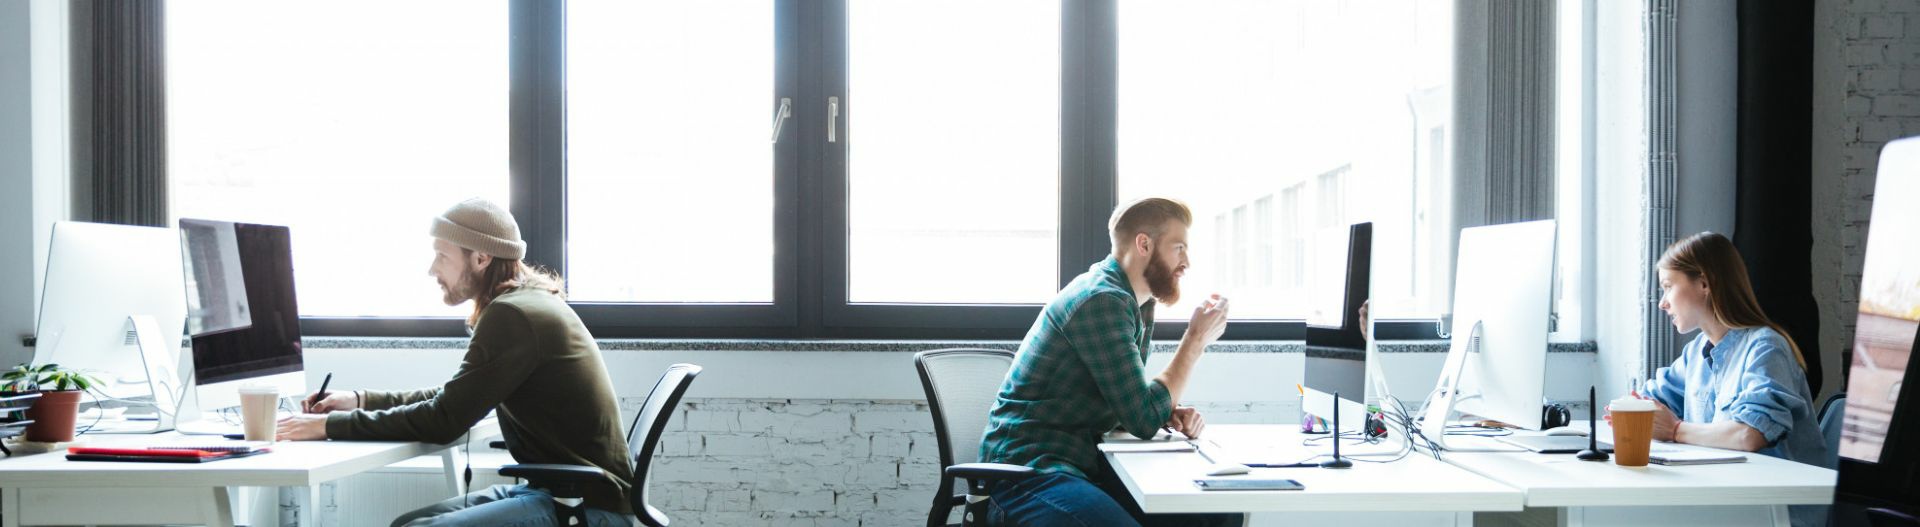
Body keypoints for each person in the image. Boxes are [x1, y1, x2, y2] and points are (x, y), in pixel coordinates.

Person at [274, 198, 634, 527]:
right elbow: (453, 398)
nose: (432, 269)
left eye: (442, 256)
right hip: (562, 493)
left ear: (481, 258)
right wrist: (361, 399)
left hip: (586, 506)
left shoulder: (513, 315)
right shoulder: (527, 302)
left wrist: (328, 426)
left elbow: (443, 420)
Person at [978, 197, 1240, 527]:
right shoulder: (1102, 299)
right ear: (1144, 244)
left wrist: (1164, 411)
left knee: (1213, 514)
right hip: (1028, 474)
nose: (1187, 261)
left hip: (1076, 466)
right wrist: (1195, 340)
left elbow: (1130, 406)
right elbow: (1141, 420)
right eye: (1179, 248)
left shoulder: (1136, 304)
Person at [1610, 232, 1829, 526]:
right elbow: (1647, 402)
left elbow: (1748, 435)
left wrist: (1675, 429)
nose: (1662, 303)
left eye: (1668, 287)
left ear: (1704, 283)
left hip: (1774, 515)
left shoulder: (1765, 348)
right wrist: (1630, 410)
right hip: (1723, 505)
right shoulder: (1695, 354)